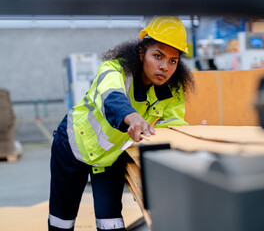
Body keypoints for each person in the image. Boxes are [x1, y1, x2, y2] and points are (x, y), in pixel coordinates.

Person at [48, 16, 195, 231]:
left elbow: (172, 124)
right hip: (73, 146)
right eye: (158, 56)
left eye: (173, 61)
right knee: (62, 220)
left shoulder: (172, 91)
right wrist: (133, 118)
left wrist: (191, 134)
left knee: (111, 223)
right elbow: (111, 97)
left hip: (110, 157)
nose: (165, 67)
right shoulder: (113, 70)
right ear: (141, 53)